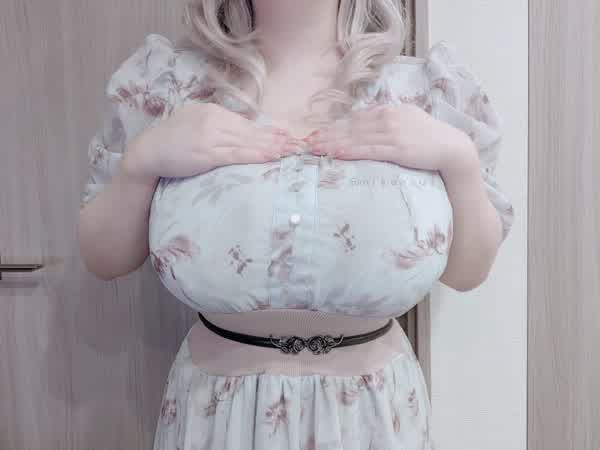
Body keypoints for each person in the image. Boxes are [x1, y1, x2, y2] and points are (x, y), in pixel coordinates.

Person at [77, 1, 515, 448]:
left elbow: (468, 272)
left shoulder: (424, 92)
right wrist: (142, 162)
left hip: (374, 420)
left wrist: (458, 159)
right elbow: (104, 258)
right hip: (220, 419)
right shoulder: (169, 86)